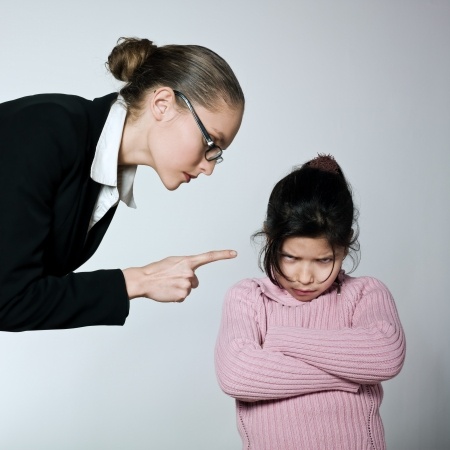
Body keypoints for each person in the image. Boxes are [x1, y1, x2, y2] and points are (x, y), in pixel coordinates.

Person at [0, 37, 245, 332]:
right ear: (163, 104)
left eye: (217, 153)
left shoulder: (103, 176)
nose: (209, 167)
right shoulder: (47, 129)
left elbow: (26, 295)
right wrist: (140, 280)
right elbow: (8, 299)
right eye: (210, 142)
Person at [215, 155, 406, 450]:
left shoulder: (364, 294)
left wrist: (282, 340)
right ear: (270, 239)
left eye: (323, 260)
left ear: (345, 246)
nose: (305, 277)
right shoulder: (249, 297)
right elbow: (237, 376)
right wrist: (347, 376)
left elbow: (386, 356)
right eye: (291, 257)